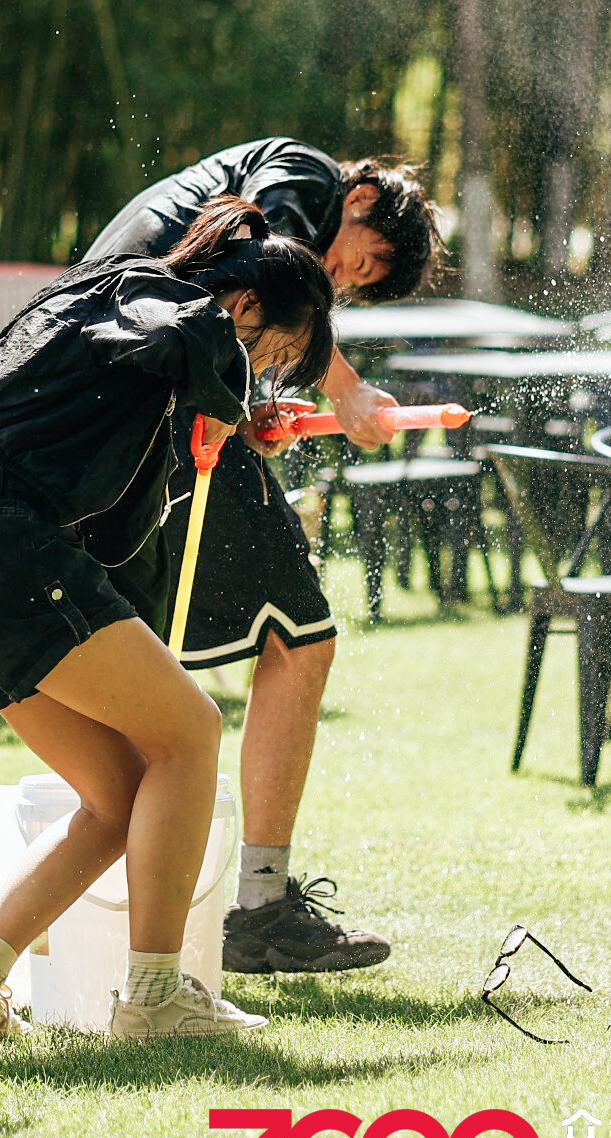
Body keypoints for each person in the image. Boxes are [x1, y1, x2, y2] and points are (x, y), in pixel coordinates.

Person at [0, 199, 336, 1044]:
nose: (259, 369)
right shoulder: (158, 297)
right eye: (271, 352)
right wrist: (231, 389)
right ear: (246, 303)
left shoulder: (104, 302)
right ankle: (153, 999)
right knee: (191, 732)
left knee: (116, 796)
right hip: (3, 545)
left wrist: (233, 413)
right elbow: (187, 335)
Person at [72, 138, 440, 976]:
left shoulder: (274, 201)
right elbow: (261, 273)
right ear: (361, 199)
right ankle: (258, 910)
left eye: (357, 286)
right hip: (151, 397)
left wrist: (249, 412)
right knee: (299, 639)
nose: (340, 280)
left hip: (125, 396)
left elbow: (226, 312)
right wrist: (345, 387)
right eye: (360, 261)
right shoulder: (305, 172)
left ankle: (123, 918)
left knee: (145, 655)